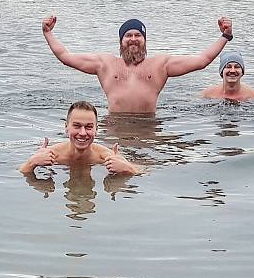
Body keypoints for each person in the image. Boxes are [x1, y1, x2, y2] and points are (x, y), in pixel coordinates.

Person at [42, 15, 233, 114]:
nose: (133, 39)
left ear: (145, 40)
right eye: (128, 35)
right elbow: (65, 56)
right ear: (121, 41)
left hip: (148, 127)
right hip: (114, 125)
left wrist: (225, 36)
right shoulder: (104, 64)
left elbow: (202, 61)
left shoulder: (161, 65)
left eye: (138, 35)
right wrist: (48, 33)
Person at [20, 101, 140, 175]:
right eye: (77, 126)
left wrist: (127, 168)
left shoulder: (106, 157)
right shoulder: (52, 155)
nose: (82, 133)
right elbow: (15, 173)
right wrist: (32, 163)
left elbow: (144, 172)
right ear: (66, 127)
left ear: (96, 129)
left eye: (88, 127)